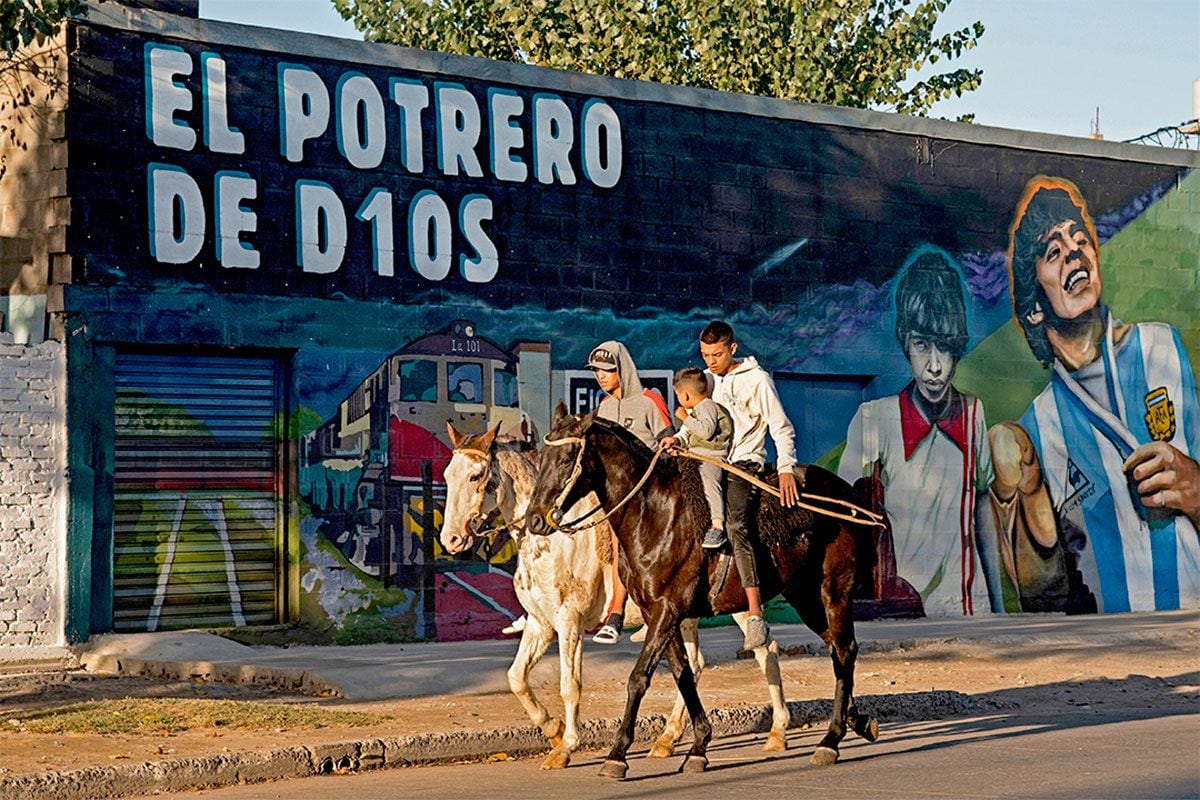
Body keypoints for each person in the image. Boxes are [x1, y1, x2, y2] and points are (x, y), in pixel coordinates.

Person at [989, 175, 1200, 613]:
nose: (1073, 252)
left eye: (1079, 239)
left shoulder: (1162, 347)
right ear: (1033, 307)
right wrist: (1017, 506)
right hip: (1110, 645)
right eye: (1053, 251)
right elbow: (1042, 591)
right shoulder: (1039, 427)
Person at [837, 247, 997, 617]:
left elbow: (983, 505)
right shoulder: (874, 418)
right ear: (905, 343)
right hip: (899, 604)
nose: (936, 366)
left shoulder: (974, 413)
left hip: (968, 605)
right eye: (923, 345)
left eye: (945, 347)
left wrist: (1001, 607)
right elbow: (842, 513)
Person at [698, 321, 799, 651]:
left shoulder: (758, 380)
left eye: (716, 354)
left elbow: (781, 427)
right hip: (712, 462)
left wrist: (786, 468)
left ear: (732, 348)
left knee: (736, 524)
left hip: (745, 464)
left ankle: (755, 615)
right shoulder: (707, 380)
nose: (710, 361)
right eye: (705, 354)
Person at [586, 340, 673, 644]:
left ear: (623, 369)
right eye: (596, 370)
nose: (601, 375)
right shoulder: (604, 407)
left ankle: (622, 613)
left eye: (607, 370)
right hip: (618, 498)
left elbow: (667, 439)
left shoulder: (650, 400)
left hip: (652, 494)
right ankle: (613, 614)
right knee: (611, 545)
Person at [660, 366, 735, 549]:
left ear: (684, 395)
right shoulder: (698, 409)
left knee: (710, 481)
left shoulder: (707, 406)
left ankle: (717, 525)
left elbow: (706, 432)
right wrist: (676, 441)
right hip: (697, 454)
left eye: (678, 395)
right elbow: (691, 435)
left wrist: (684, 417)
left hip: (712, 458)